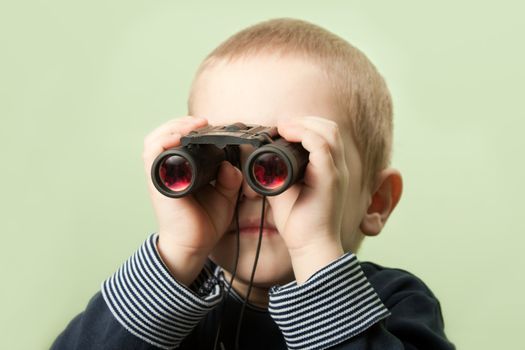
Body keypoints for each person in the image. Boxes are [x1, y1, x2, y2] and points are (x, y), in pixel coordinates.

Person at [52, 18, 455, 350]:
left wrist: (314, 252)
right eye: (220, 160)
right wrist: (177, 253)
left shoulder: (397, 302)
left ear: (376, 201)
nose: (248, 188)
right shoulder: (165, 303)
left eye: (287, 161)